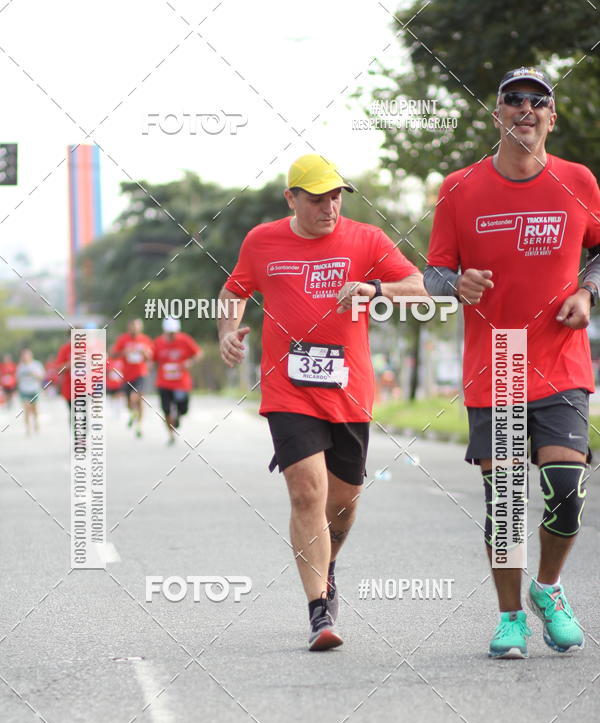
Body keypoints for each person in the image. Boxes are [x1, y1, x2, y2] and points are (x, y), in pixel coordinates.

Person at [424, 66, 600, 659]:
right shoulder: (459, 187)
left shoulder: (577, 180)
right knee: (504, 505)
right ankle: (509, 619)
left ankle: (546, 589)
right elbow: (433, 272)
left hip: (561, 365)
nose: (526, 109)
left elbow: (599, 251)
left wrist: (587, 292)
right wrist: (457, 283)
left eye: (538, 101)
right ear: (496, 113)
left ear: (553, 116)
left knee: (566, 492)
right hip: (495, 364)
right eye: (513, 100)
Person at [218, 153, 426, 650]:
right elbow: (233, 290)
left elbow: (420, 286)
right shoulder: (262, 241)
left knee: (343, 506)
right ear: (291, 198)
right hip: (289, 388)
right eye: (317, 199)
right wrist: (228, 332)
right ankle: (319, 613)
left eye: (335, 196)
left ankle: (327, 565)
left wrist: (375, 287)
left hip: (350, 392)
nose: (330, 207)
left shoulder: (366, 240)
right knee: (306, 492)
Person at [153, 318, 202, 444]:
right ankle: (171, 435)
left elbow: (198, 353)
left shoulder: (184, 340)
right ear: (164, 331)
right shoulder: (158, 342)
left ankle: (178, 417)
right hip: (164, 382)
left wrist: (190, 362)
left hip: (181, 383)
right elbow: (152, 358)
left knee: (183, 408)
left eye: (174, 332)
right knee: (166, 409)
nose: (172, 335)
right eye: (169, 332)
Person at [110, 319, 153, 437]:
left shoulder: (145, 340)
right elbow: (113, 354)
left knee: (137, 397)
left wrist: (145, 353)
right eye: (132, 327)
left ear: (141, 328)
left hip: (141, 374)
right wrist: (124, 351)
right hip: (127, 375)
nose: (134, 329)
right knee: (129, 402)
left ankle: (139, 425)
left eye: (136, 327)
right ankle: (133, 413)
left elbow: (150, 357)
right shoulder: (123, 339)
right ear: (129, 328)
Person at [16, 348, 45, 435]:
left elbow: (42, 377)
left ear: (30, 356)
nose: (25, 357)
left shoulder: (36, 364)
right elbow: (17, 379)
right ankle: (28, 428)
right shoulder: (20, 366)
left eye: (27, 355)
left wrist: (34, 374)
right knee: (26, 409)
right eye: (24, 355)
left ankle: (36, 422)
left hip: (34, 390)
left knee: (35, 409)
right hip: (24, 390)